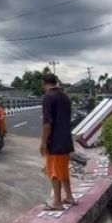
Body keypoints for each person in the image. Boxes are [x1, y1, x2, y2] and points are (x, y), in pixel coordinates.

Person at [40, 73, 74, 211]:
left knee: (54, 172)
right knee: (63, 170)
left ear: (44, 83)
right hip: (66, 140)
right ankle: (69, 197)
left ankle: (57, 202)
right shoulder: (65, 96)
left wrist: (43, 142)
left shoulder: (48, 97)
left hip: (55, 141)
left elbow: (47, 123)